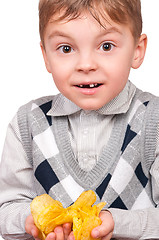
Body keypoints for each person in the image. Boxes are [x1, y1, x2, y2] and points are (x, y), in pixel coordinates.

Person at [0, 0, 159, 239]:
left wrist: (116, 223)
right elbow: (7, 208)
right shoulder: (27, 124)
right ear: (46, 56)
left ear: (137, 50)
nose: (86, 65)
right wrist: (31, 222)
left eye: (106, 46)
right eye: (66, 48)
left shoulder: (153, 120)